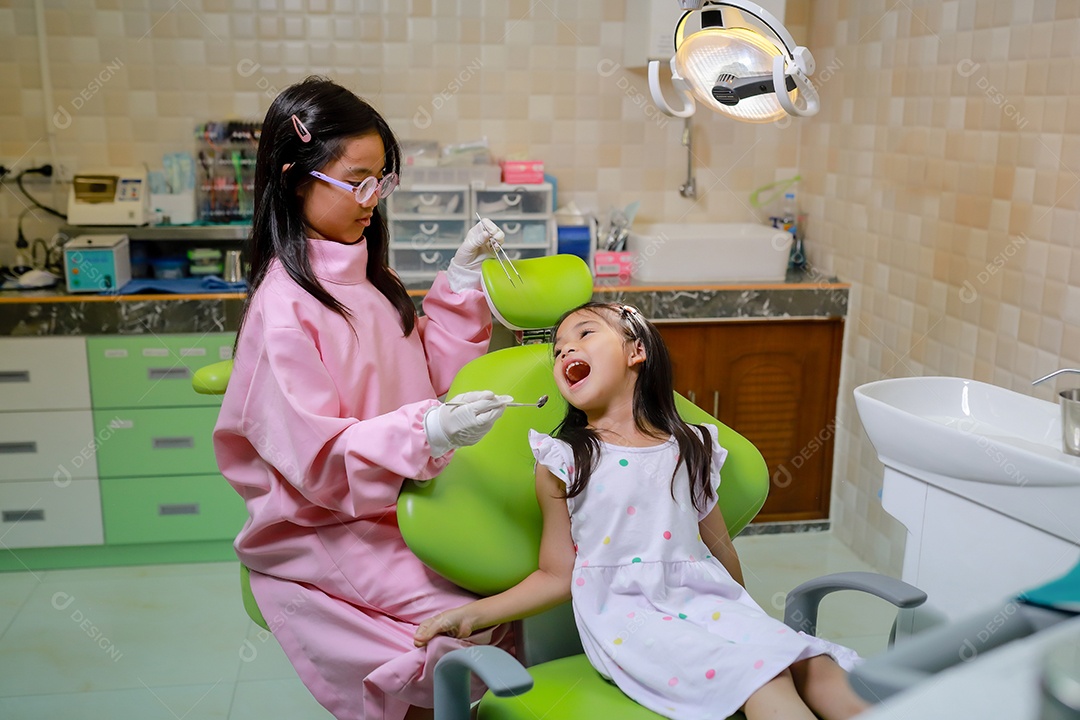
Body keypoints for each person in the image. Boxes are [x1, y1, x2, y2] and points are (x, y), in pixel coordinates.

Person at [213, 76, 516, 720]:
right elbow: (317, 462)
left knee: (524, 581)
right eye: (358, 181)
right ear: (297, 180)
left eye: (383, 179)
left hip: (403, 495)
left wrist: (459, 288)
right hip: (327, 521)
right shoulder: (285, 309)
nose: (373, 199)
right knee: (469, 618)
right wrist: (426, 435)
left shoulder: (366, 277)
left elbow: (430, 375)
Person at [414, 301, 869, 720]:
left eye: (586, 333)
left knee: (811, 663)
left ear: (637, 351)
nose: (566, 349)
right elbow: (557, 575)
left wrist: (747, 623)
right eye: (558, 350)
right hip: (631, 618)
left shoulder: (692, 445)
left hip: (708, 602)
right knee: (766, 677)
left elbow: (718, 547)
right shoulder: (564, 459)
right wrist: (474, 615)